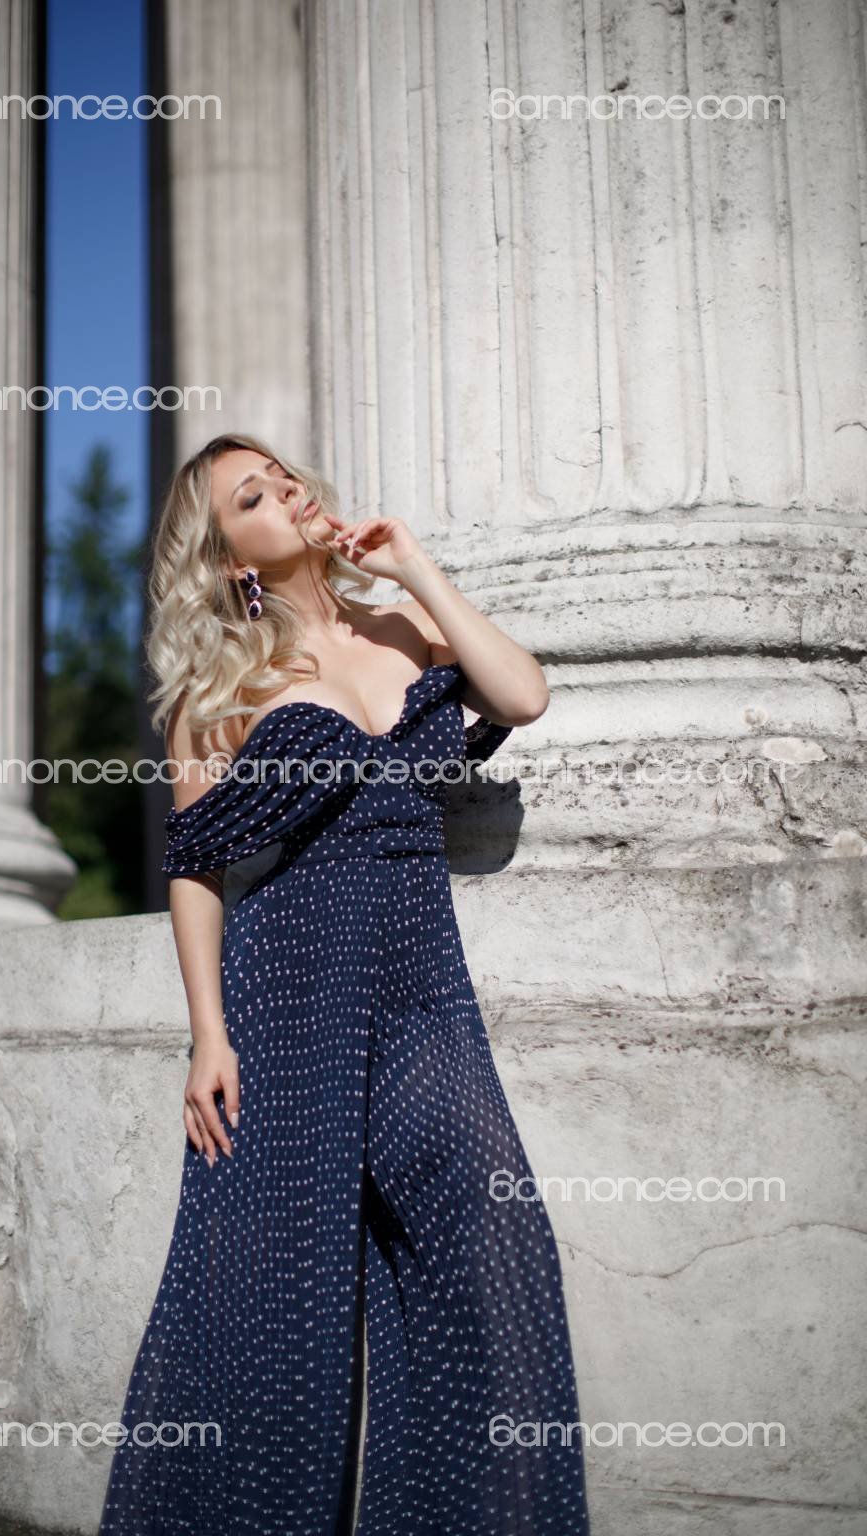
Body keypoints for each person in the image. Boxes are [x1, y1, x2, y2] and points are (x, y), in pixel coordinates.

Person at [98, 432, 589, 1535]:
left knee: (496, 1252)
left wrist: (411, 564)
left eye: (282, 476)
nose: (285, 494)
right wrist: (209, 1036)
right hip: (290, 994)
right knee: (272, 1302)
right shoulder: (223, 686)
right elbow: (194, 869)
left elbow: (523, 695)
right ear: (232, 556)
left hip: (422, 990)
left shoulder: (403, 627)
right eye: (252, 497)